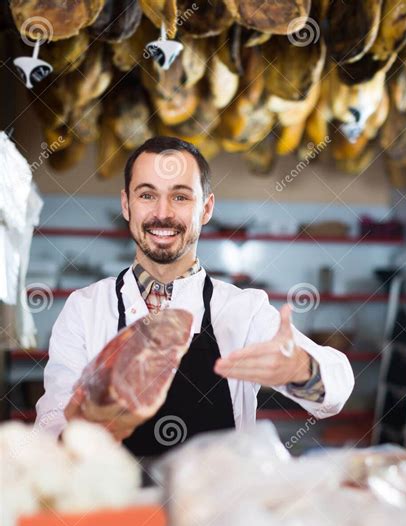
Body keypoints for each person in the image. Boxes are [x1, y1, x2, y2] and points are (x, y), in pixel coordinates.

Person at [35, 136, 354, 456]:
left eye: (181, 197)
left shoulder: (245, 310)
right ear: (126, 205)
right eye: (147, 195)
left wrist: (300, 368)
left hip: (216, 501)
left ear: (206, 208)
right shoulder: (85, 308)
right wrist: (77, 430)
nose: (162, 213)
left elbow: (338, 386)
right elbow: (51, 419)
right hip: (117, 500)